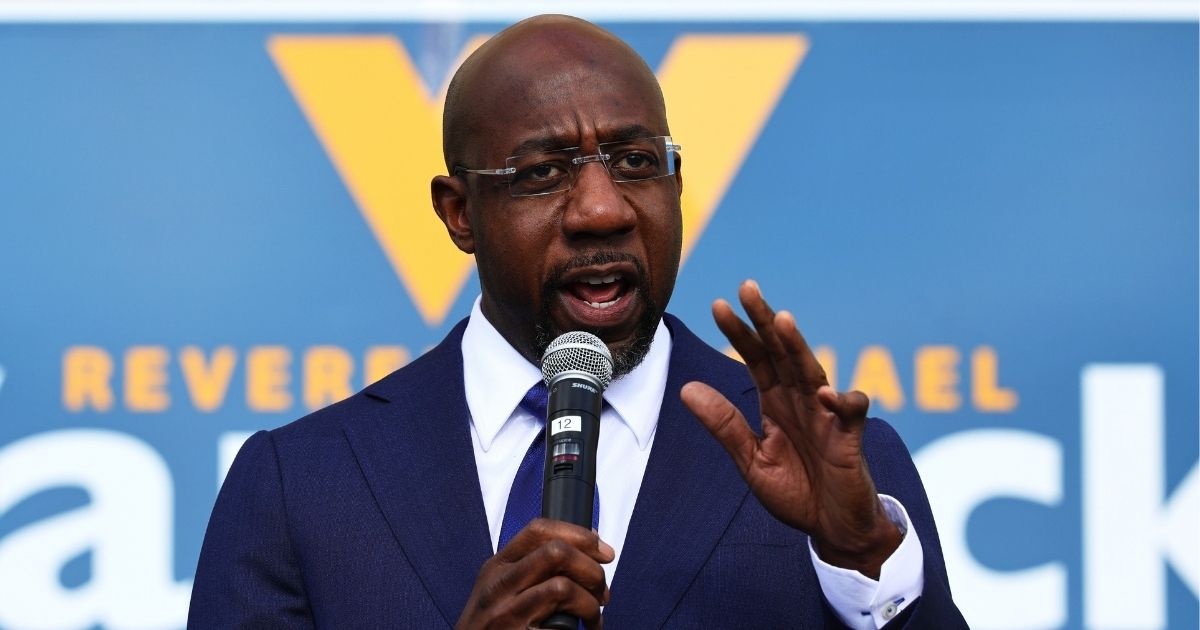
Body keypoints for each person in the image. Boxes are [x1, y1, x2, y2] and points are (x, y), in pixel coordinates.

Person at [190, 15, 966, 629]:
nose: (603, 209)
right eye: (543, 173)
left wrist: (862, 555)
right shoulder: (301, 486)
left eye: (634, 162)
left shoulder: (837, 467)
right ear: (460, 213)